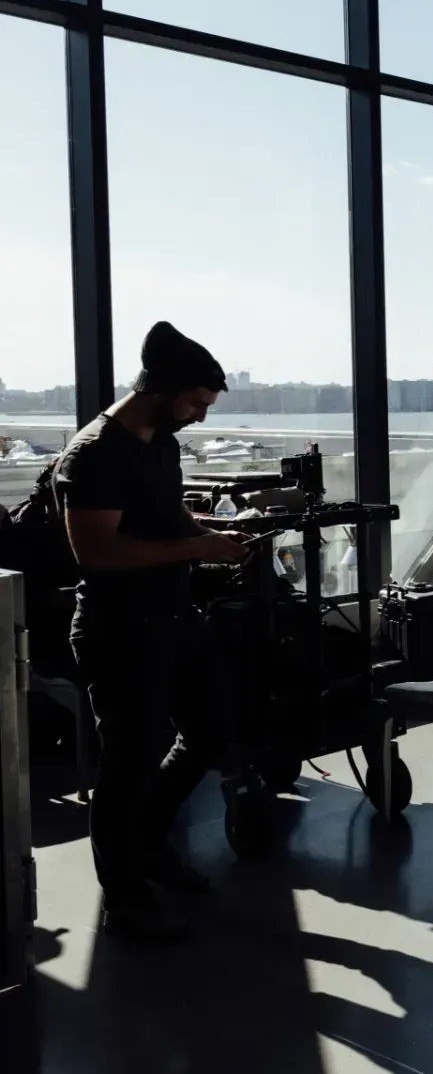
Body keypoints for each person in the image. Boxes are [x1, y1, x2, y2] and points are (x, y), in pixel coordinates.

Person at [56, 321, 251, 941]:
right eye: (195, 402)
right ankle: (126, 896)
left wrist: (213, 533)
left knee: (211, 729)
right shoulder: (93, 456)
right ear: (162, 391)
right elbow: (99, 554)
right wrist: (201, 547)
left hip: (172, 616)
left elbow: (166, 517)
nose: (198, 416)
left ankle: (146, 844)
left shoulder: (159, 442)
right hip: (119, 628)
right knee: (126, 766)